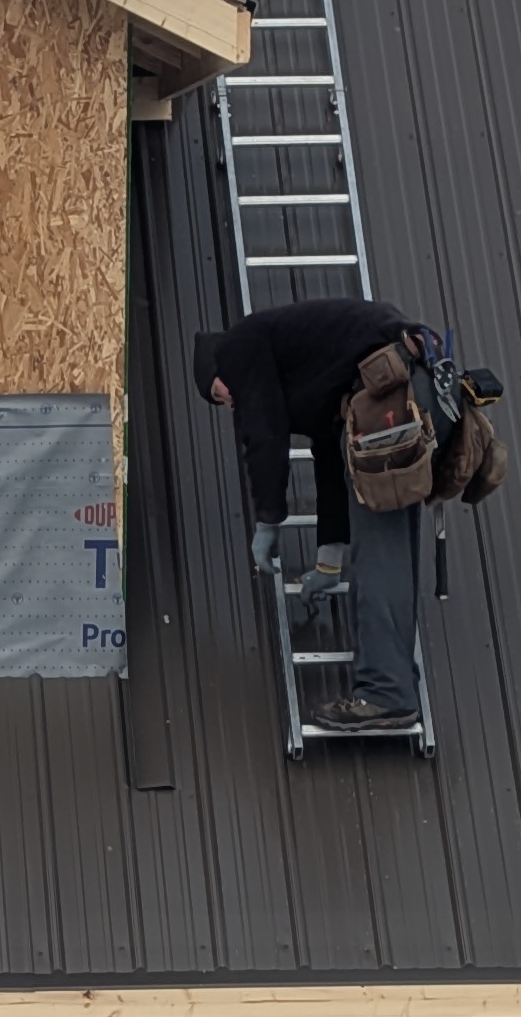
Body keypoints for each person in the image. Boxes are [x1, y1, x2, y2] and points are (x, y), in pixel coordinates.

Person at [190, 286, 481, 740]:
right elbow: (333, 453)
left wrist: (267, 519)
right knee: (391, 548)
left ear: (216, 374)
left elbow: (263, 434)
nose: (230, 402)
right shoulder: (314, 370)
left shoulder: (237, 348)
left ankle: (386, 694)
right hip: (418, 391)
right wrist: (329, 558)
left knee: (379, 555)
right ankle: (396, 683)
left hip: (394, 397)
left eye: (221, 396)